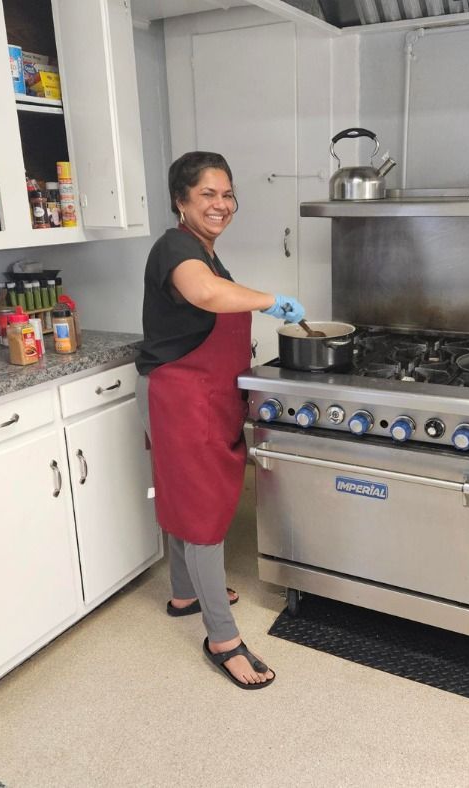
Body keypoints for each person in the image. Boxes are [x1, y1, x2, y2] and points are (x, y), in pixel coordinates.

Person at [135, 151, 305, 690]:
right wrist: (271, 300)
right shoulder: (176, 248)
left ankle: (186, 593)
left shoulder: (204, 249)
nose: (222, 204)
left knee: (188, 498)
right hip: (184, 395)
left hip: (204, 394)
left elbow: (213, 296)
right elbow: (205, 295)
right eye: (208, 194)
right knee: (204, 513)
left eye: (227, 194)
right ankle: (223, 639)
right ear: (180, 200)